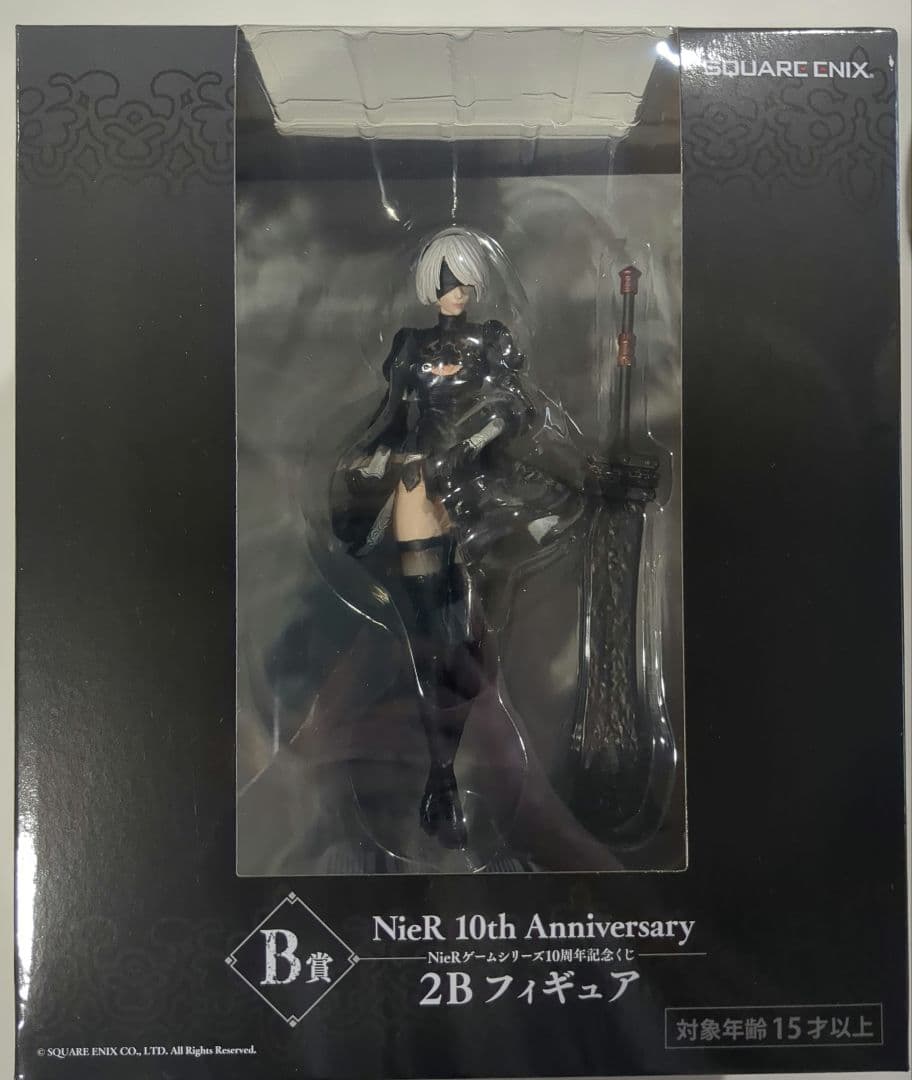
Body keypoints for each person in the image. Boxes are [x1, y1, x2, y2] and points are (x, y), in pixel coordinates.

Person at [332, 227, 580, 849]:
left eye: (463, 281)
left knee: (470, 642)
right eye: (445, 282)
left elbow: (517, 409)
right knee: (429, 641)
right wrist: (372, 456)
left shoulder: (492, 341)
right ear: (430, 286)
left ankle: (446, 773)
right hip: (419, 482)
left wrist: (474, 440)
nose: (456, 292)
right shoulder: (411, 345)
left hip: (478, 485)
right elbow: (393, 414)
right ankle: (440, 778)